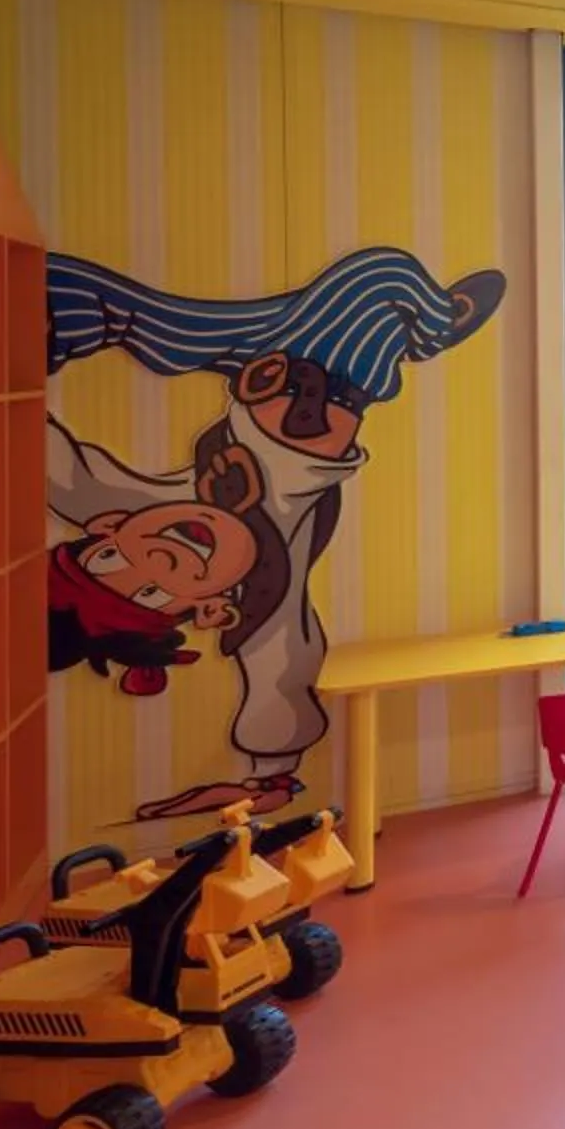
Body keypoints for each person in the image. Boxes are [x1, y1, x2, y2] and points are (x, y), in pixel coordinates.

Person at [44, 246, 502, 821]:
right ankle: (429, 329)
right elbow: (280, 672)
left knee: (164, 322)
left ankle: (429, 326)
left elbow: (60, 468)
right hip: (347, 374)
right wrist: (269, 782)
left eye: (112, 560)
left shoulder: (130, 505)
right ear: (206, 607)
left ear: (108, 527)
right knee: (382, 280)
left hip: (271, 355)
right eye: (153, 593)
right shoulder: (265, 593)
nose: (159, 560)